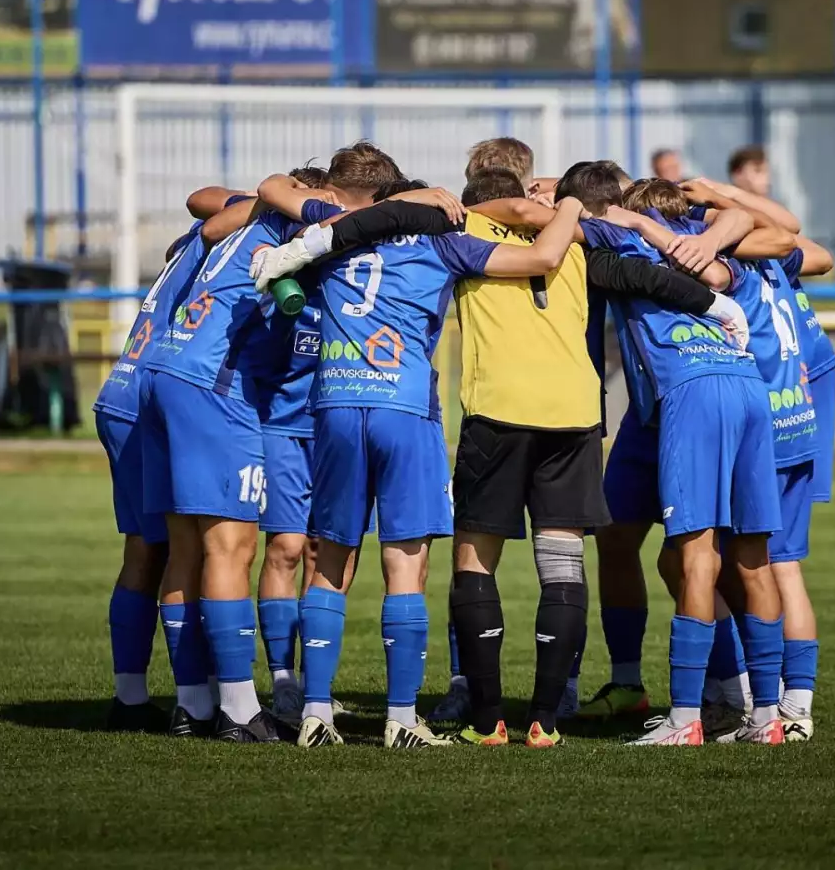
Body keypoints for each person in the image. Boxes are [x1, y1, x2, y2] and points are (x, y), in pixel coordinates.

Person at [269, 161, 743, 748]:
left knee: (444, 560)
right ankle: (540, 717)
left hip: (472, 409)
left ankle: (467, 715)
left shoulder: (430, 235)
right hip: (570, 414)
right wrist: (714, 304)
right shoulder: (565, 242)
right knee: (555, 563)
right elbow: (634, 274)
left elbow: (276, 208)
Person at [249, 182, 589, 749]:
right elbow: (539, 256)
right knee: (404, 565)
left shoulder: (336, 239)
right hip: (404, 410)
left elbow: (272, 247)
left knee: (330, 558)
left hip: (333, 404)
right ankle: (402, 719)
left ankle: (314, 711)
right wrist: (569, 205)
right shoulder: (444, 242)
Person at [137, 148, 400, 742]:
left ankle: (193, 705)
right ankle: (237, 711)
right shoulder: (299, 221)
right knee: (232, 548)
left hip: (164, 373)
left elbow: (212, 208)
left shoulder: (252, 218)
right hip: (213, 386)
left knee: (186, 548)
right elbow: (277, 192)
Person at [561, 168, 783, 747]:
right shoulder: (700, 244)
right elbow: (762, 227)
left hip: (690, 390)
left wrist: (616, 217)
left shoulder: (618, 235)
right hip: (747, 385)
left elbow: (578, 220)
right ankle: (769, 717)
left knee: (696, 556)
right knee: (752, 557)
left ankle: (685, 719)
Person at [685, 177, 835, 742]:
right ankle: (793, 706)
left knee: (729, 567)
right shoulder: (779, 259)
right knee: (780, 568)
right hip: (799, 422)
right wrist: (720, 193)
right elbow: (802, 237)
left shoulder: (730, 263)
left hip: (760, 428)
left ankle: (751, 696)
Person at [90, 217, 212, 732]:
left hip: (120, 389)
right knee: (195, 548)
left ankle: (132, 698)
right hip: (151, 399)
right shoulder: (238, 244)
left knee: (146, 548)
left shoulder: (194, 241)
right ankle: (196, 700)